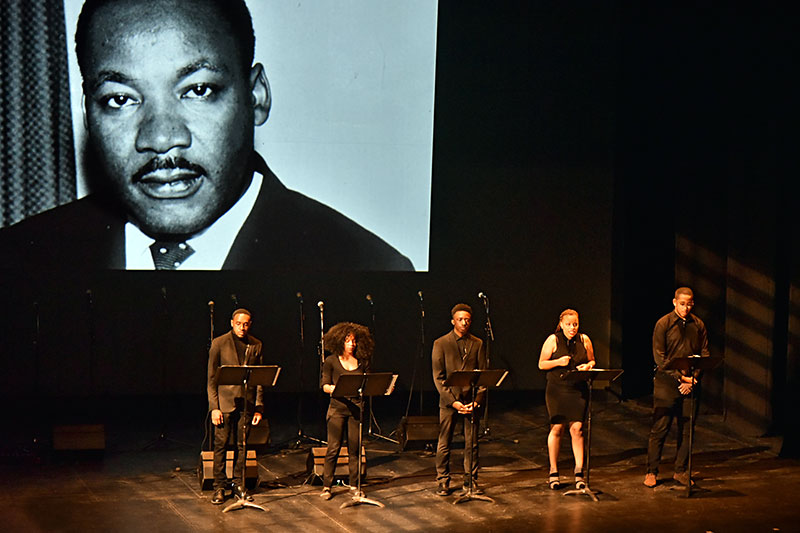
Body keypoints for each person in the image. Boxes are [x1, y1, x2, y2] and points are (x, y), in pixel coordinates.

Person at [0, 0, 412, 272]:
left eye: (197, 90)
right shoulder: (19, 264)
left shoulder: (367, 270)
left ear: (256, 97)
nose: (161, 138)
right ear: (89, 113)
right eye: (121, 99)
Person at [644, 287, 710, 488]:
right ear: (674, 302)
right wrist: (680, 379)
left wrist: (693, 378)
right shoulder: (663, 324)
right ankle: (651, 471)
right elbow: (659, 358)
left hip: (690, 383)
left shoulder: (698, 324)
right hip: (667, 383)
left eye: (689, 304)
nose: (686, 307)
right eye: (682, 304)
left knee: (687, 429)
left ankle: (680, 470)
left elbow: (704, 354)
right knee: (660, 428)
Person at [206, 308, 263, 505]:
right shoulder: (219, 343)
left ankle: (239, 485)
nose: (242, 327)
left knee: (243, 445)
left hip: (246, 403)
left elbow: (259, 379)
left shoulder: (256, 344)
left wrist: (258, 407)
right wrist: (214, 407)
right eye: (239, 323)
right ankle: (219, 487)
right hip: (225, 403)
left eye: (246, 324)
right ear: (232, 323)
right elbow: (211, 379)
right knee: (221, 445)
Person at [431, 303, 488, 497]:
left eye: (467, 320)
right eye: (460, 319)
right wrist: (453, 401)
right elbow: (438, 377)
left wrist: (477, 400)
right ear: (453, 321)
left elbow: (483, 376)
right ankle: (443, 481)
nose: (464, 323)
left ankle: (470, 480)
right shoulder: (441, 343)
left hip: (470, 399)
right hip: (449, 400)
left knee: (471, 443)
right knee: (445, 441)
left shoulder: (477, 343)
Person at [538, 309, 595, 490]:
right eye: (569, 324)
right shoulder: (553, 340)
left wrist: (588, 365)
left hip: (577, 389)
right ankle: (553, 471)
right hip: (557, 389)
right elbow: (541, 364)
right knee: (557, 427)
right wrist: (557, 362)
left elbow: (593, 360)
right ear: (561, 324)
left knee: (577, 428)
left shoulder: (584, 339)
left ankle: (579, 473)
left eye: (575, 324)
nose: (572, 328)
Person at [318, 322, 374, 500]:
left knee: (355, 450)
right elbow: (324, 385)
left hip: (356, 410)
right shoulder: (331, 361)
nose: (352, 344)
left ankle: (354, 485)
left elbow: (368, 384)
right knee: (333, 448)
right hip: (337, 410)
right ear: (339, 341)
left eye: (354, 341)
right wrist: (337, 388)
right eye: (348, 340)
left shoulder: (362, 362)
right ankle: (327, 486)